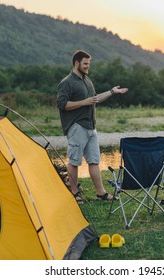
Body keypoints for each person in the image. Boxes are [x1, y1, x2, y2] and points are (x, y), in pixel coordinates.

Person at [57, 50, 128, 204]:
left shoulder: (87, 80)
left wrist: (111, 92)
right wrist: (83, 102)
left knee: (94, 160)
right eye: (85, 63)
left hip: (91, 127)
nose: (88, 66)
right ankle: (74, 193)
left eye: (89, 63)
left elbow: (94, 99)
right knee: (74, 161)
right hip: (77, 126)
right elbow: (62, 105)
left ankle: (101, 193)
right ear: (77, 63)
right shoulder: (67, 82)